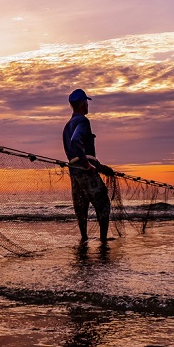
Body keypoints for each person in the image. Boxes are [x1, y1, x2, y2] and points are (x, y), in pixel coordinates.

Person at [62, 89, 112, 243]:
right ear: (83, 103)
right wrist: (87, 164)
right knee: (103, 203)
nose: (87, 105)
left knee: (81, 206)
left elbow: (73, 149)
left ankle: (84, 239)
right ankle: (103, 241)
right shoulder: (83, 121)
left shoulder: (67, 126)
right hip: (84, 169)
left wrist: (98, 166)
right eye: (86, 102)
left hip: (74, 171)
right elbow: (76, 141)